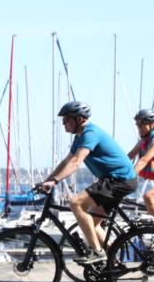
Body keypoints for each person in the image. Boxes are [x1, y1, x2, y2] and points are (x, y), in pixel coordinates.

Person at [40, 101, 138, 265]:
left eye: (66, 120)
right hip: (117, 180)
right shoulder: (80, 137)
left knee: (76, 203)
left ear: (79, 119)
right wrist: (47, 180)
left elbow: (76, 162)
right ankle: (113, 261)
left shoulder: (90, 133)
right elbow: (66, 161)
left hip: (119, 180)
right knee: (91, 224)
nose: (63, 123)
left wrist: (55, 181)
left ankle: (97, 252)